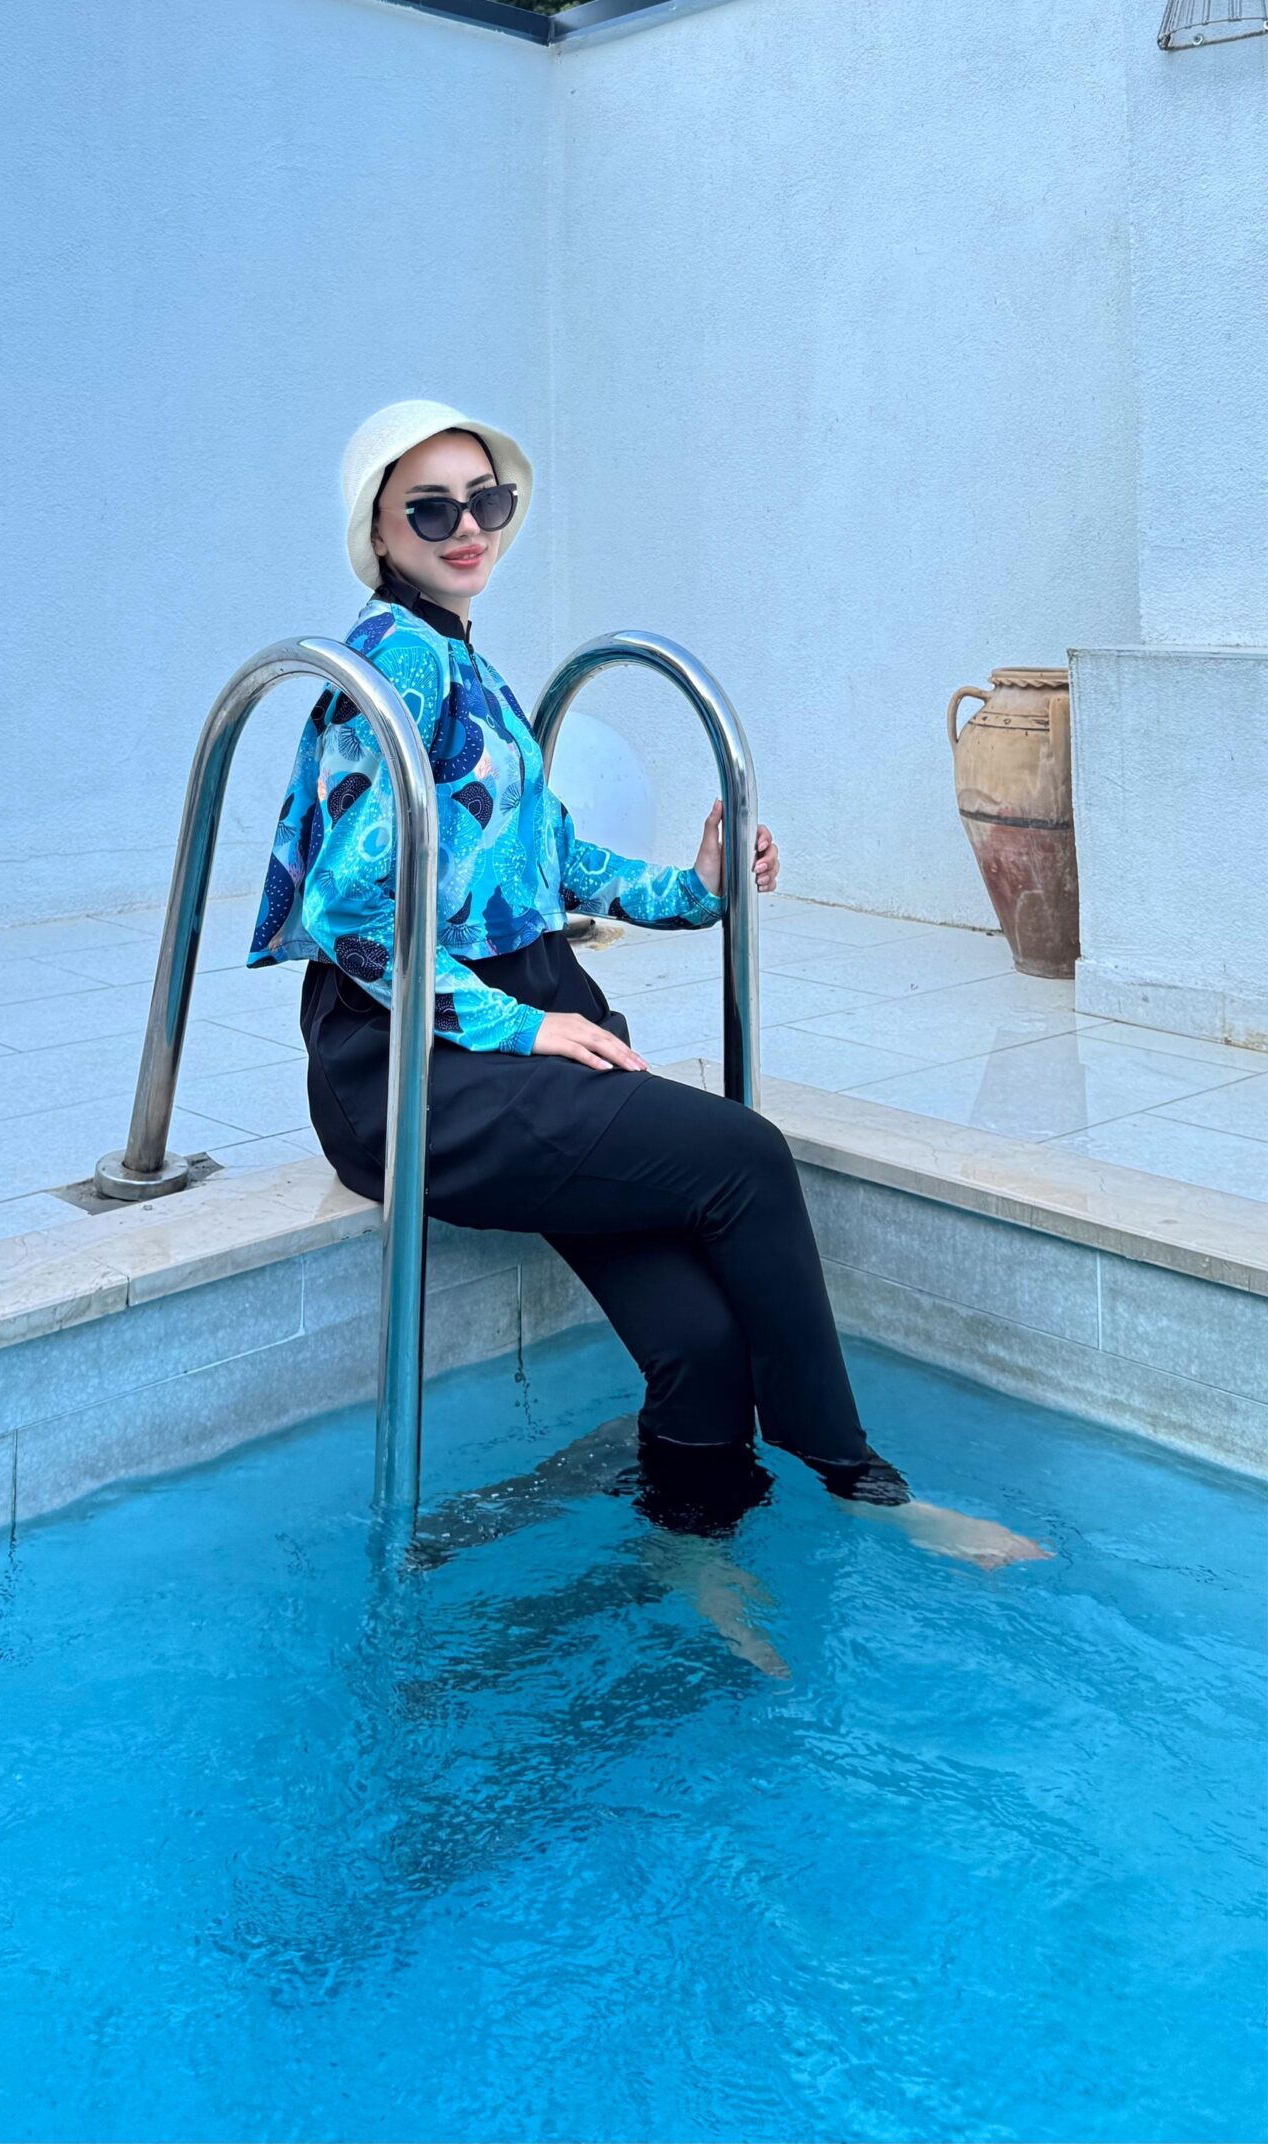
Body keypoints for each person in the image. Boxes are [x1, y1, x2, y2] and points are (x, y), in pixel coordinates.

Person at [249, 401, 1048, 1572]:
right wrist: (524, 1026)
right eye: (431, 508)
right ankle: (853, 1479)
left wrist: (697, 888)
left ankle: (693, 1541)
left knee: (701, 1344)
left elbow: (550, 862)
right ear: (377, 529)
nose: (468, 527)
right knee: (744, 1155)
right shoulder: (395, 666)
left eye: (487, 500)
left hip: (504, 1036)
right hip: (415, 1064)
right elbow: (350, 918)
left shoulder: (460, 659)